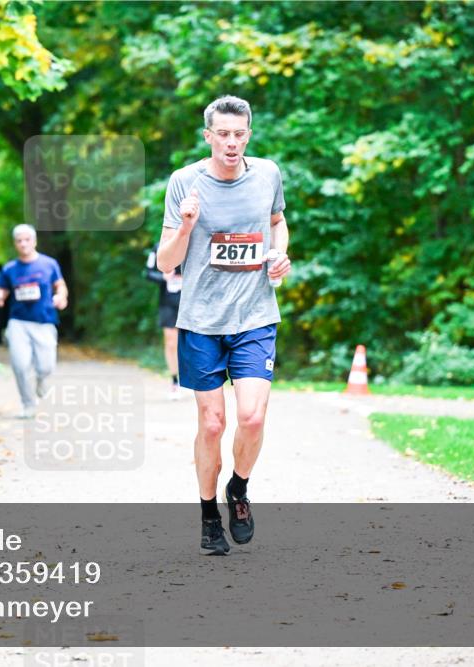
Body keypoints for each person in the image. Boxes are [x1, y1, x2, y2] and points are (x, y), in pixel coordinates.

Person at [155, 95, 292, 556]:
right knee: (212, 425)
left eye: (240, 134)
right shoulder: (184, 183)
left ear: (248, 135)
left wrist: (280, 253)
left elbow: (278, 221)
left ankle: (239, 488)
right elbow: (166, 261)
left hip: (254, 316)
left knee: (252, 416)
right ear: (208, 136)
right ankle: (208, 515)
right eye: (223, 134)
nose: (231, 143)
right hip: (201, 322)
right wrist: (187, 225)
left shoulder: (267, 174)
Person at [0, 224, 68, 419]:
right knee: (20, 364)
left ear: (34, 241)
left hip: (44, 320)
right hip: (18, 322)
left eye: (27, 240)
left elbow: (60, 286)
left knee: (46, 366)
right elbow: (2, 289)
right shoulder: (9, 268)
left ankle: (42, 380)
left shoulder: (49, 264)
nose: (23, 244)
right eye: (19, 241)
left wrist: (61, 297)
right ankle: (28, 405)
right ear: (15, 244)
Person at [145, 243, 182, 400]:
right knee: (171, 342)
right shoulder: (158, 247)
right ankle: (175, 381)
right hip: (167, 302)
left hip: (189, 302)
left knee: (187, 342)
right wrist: (163, 277)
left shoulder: (194, 241)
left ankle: (192, 379)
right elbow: (148, 272)